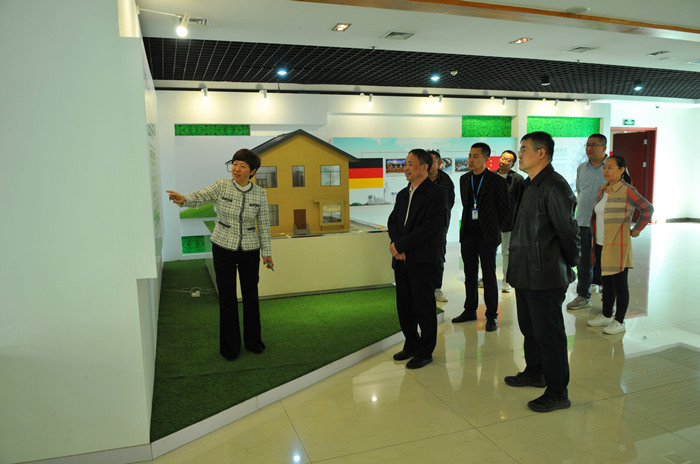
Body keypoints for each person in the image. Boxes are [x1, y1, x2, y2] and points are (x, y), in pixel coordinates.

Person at [166, 148, 274, 360]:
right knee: (227, 298)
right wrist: (184, 199)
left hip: (250, 249)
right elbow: (201, 196)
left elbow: (263, 224)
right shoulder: (221, 185)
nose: (236, 169)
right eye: (234, 164)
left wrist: (267, 253)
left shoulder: (260, 194)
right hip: (223, 246)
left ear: (252, 171)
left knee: (251, 297)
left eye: (242, 166)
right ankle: (230, 347)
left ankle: (253, 342)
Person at [505, 131, 580, 413]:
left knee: (550, 335)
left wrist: (569, 262)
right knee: (530, 329)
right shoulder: (528, 184)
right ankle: (535, 372)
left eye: (524, 149)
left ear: (541, 153)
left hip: (545, 273)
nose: (519, 154)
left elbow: (568, 232)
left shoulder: (555, 186)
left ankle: (558, 392)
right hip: (525, 271)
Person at [388, 149, 447, 369]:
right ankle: (411, 344)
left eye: (410, 164)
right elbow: (393, 222)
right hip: (402, 260)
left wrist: (401, 245)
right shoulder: (403, 194)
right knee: (404, 306)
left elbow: (430, 228)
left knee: (424, 307)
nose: (406, 168)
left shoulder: (436, 194)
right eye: (405, 163)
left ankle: (425, 351)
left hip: (422, 260)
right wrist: (396, 245)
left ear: (424, 167)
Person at [586, 155, 654, 334]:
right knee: (606, 282)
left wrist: (637, 229)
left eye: (610, 167)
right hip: (600, 243)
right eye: (605, 167)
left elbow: (647, 208)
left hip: (617, 244)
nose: (606, 170)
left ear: (621, 170)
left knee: (619, 284)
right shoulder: (603, 189)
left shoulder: (627, 190)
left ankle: (619, 321)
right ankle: (606, 315)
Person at [452, 143, 510, 332]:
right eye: (469, 155)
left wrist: (495, 229)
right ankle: (470, 310)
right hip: (468, 234)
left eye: (475, 156)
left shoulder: (496, 181)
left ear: (486, 159)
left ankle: (491, 315)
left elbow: (504, 210)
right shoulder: (464, 179)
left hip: (488, 236)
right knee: (469, 275)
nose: (470, 159)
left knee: (489, 276)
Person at [567, 134, 607, 310]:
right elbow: (579, 190)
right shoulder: (582, 168)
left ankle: (608, 296)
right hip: (583, 220)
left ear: (604, 148)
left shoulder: (613, 167)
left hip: (605, 223)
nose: (589, 148)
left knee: (606, 260)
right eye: (587, 145)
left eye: (593, 145)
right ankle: (583, 295)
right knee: (583, 261)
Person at [427, 149, 455, 303]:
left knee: (438, 256)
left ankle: (437, 287)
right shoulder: (419, 177)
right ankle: (425, 288)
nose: (428, 164)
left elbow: (448, 203)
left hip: (439, 226)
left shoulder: (445, 180)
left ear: (439, 163)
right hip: (420, 226)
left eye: (431, 161)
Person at [494, 150, 524, 293]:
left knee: (506, 252)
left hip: (509, 222)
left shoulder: (517, 179)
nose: (503, 161)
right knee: (489, 252)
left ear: (512, 164)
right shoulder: (491, 176)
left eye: (508, 160)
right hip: (491, 222)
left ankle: (506, 281)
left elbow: (520, 202)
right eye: (502, 158)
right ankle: (488, 277)